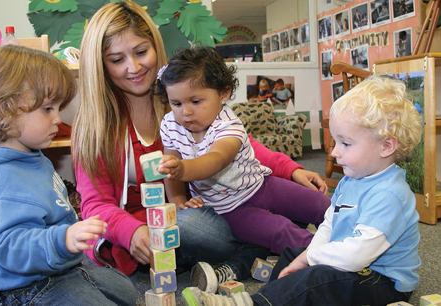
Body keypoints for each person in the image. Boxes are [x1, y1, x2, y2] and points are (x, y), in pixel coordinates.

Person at [72, 0, 328, 288]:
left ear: (155, 47)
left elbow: (238, 146)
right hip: (155, 224)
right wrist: (131, 232)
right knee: (202, 227)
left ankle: (257, 246)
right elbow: (95, 204)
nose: (133, 67)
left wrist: (291, 170)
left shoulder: (181, 99)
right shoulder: (96, 126)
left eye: (141, 52)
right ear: (101, 65)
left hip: (206, 206)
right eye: (117, 60)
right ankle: (258, 246)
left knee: (257, 206)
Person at [183, 76, 422, 306]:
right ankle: (280, 296)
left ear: (387, 146)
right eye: (335, 142)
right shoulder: (352, 180)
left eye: (346, 144)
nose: (335, 153)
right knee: (292, 255)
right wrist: (306, 255)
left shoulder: (389, 194)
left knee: (315, 277)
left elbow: (358, 255)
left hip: (381, 280)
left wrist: (310, 258)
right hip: (354, 264)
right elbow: (329, 224)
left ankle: (256, 304)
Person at [0, 45, 136, 306]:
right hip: (24, 289)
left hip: (58, 269)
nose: (58, 118)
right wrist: (64, 239)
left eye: (58, 108)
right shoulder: (2, 178)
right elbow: (11, 248)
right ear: (4, 111)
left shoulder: (31, 155)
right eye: (47, 109)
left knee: (128, 292)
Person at [156, 46, 330, 258]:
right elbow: (170, 166)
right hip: (230, 210)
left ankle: (355, 232)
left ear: (224, 93)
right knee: (281, 231)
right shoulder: (170, 125)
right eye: (176, 103)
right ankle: (329, 257)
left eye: (195, 101)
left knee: (317, 202)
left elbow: (217, 159)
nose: (186, 112)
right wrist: (178, 200)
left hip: (262, 186)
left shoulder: (229, 124)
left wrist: (182, 169)